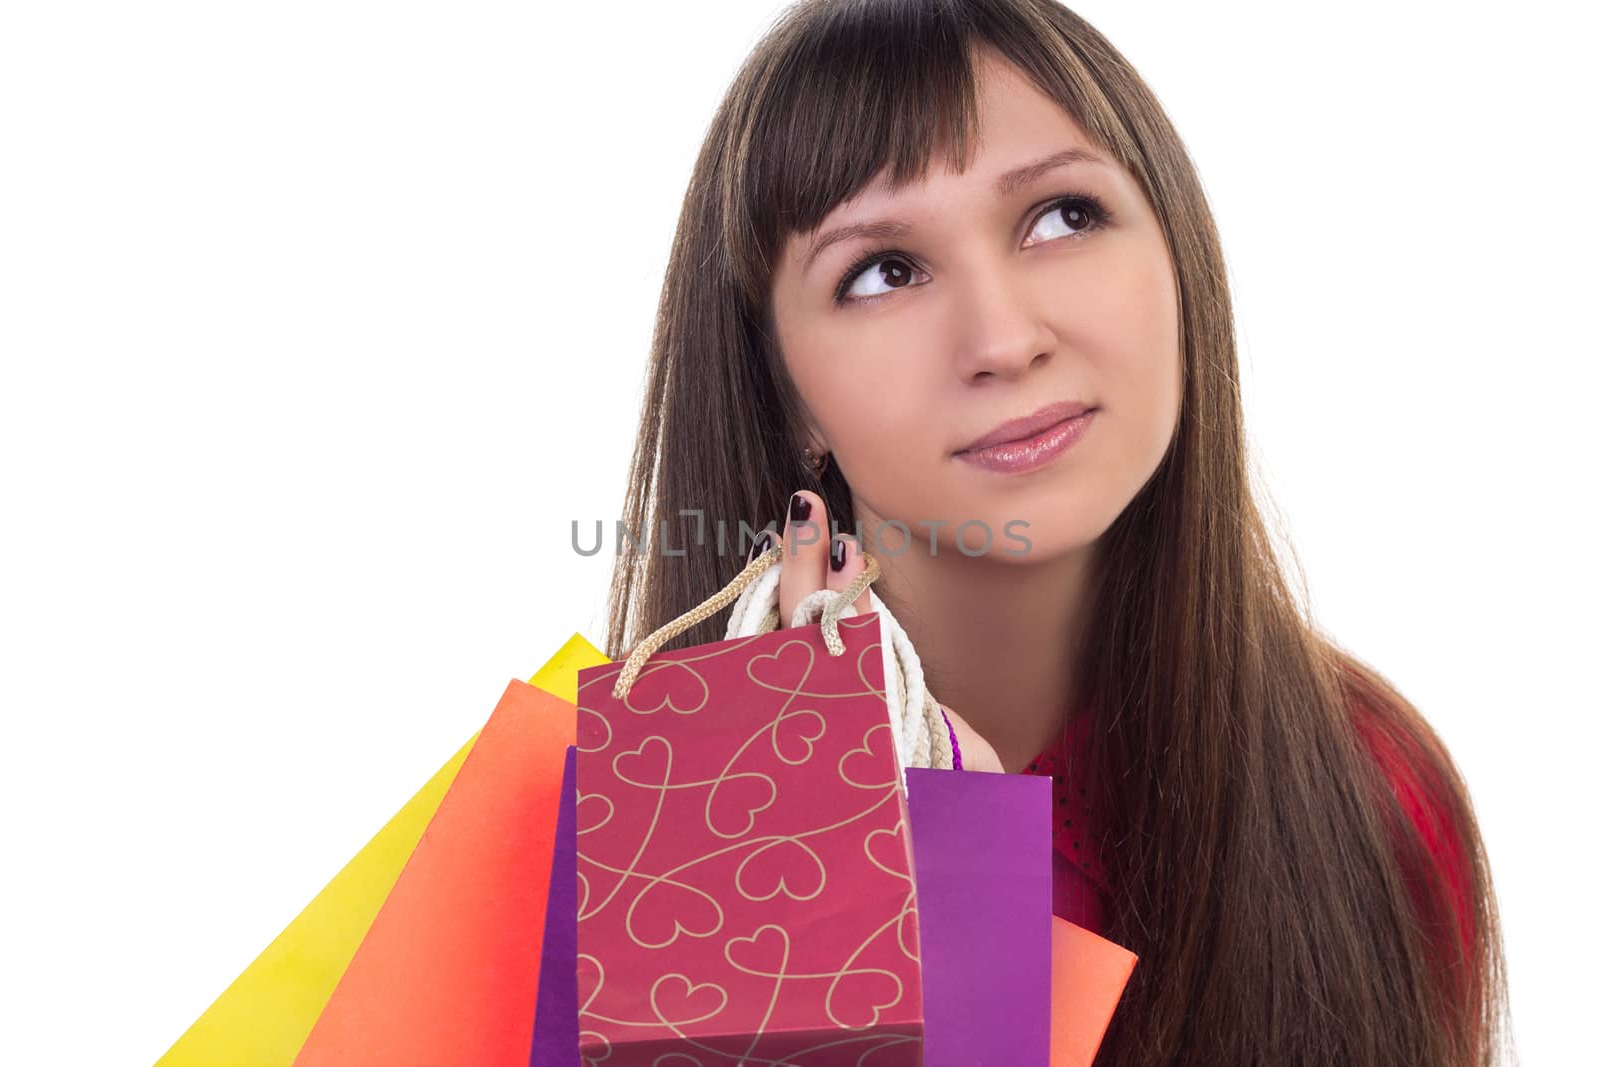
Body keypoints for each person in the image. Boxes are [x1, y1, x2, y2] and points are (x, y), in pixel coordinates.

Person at [601, 1, 1509, 1062]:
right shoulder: (634, 839)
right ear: (788, 394)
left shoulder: (1368, 798)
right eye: (883, 271)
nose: (1002, 338)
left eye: (1060, 216)